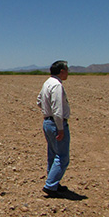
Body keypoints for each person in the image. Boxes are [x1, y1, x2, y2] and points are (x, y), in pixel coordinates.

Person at [37, 60, 71, 197]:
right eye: (67, 70)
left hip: (47, 122)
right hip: (56, 123)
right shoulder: (57, 85)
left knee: (53, 154)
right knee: (62, 157)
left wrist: (46, 111)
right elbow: (58, 109)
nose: (68, 73)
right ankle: (51, 185)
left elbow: (39, 101)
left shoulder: (47, 82)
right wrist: (60, 127)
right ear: (61, 71)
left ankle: (54, 183)